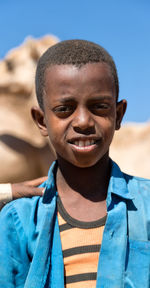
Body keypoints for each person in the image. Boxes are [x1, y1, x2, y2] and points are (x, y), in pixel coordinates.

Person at [0, 39, 150, 288]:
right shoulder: (18, 221)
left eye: (99, 107)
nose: (82, 121)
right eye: (64, 109)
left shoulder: (146, 206)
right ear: (41, 121)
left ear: (119, 114)